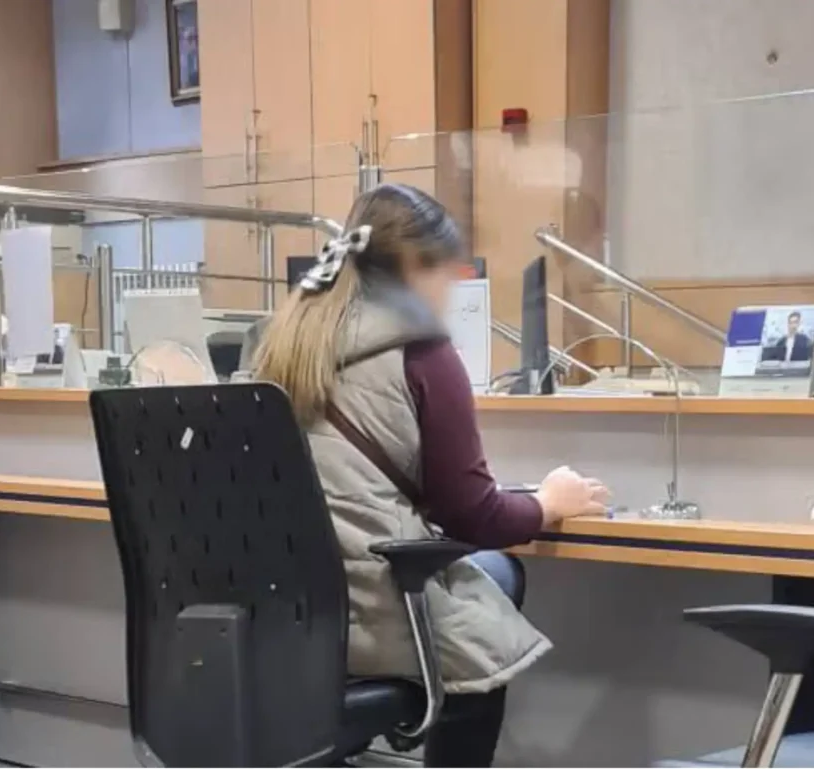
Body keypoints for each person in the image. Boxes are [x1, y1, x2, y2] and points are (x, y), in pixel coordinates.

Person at [253, 184, 608, 767]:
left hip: (279, 616)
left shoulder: (283, 346)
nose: (453, 288)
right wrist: (547, 503)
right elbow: (472, 514)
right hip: (368, 610)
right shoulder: (421, 353)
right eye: (448, 271)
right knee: (489, 611)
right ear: (416, 269)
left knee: (487, 579)